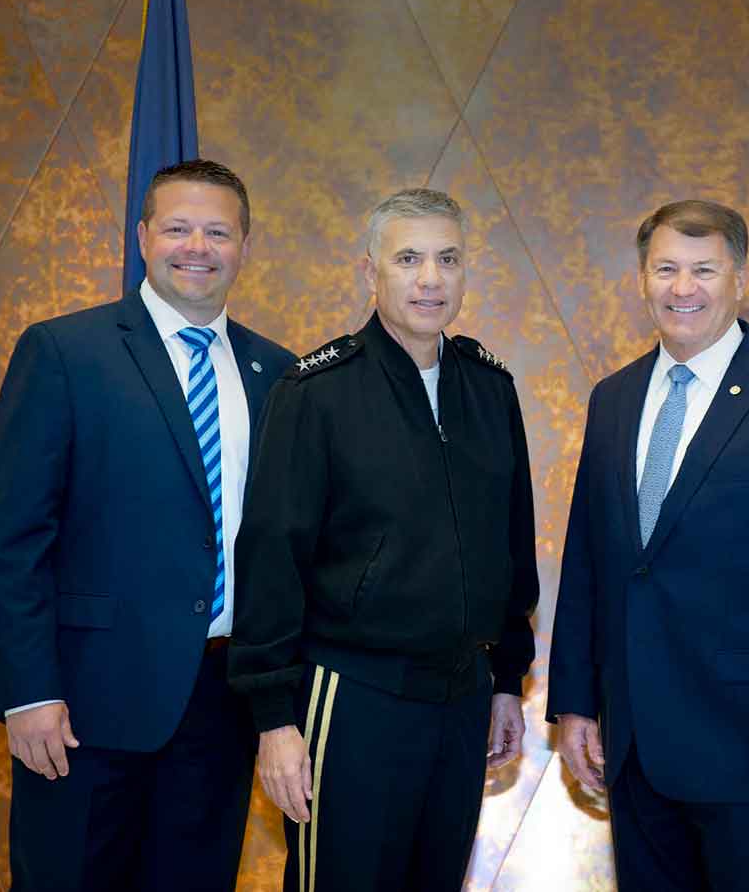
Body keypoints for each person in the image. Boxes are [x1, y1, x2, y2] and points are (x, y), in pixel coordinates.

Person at [0, 159, 295, 891]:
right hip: (84, 706)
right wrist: (29, 691)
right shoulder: (64, 351)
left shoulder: (277, 372)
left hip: (222, 703)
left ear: (245, 246)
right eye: (179, 227)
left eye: (218, 231)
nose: (198, 246)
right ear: (144, 235)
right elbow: (14, 538)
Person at [546, 200, 749, 892]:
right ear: (643, 278)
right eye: (666, 269)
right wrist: (575, 702)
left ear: (740, 278)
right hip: (637, 750)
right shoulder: (613, 398)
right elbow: (592, 563)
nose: (682, 288)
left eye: (702, 269)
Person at [228, 188, 540, 892]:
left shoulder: (491, 389)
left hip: (462, 699)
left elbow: (511, 547)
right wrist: (275, 719)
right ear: (371, 273)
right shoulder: (316, 392)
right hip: (353, 697)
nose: (430, 279)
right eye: (409, 258)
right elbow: (272, 557)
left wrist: (505, 682)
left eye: (447, 259)